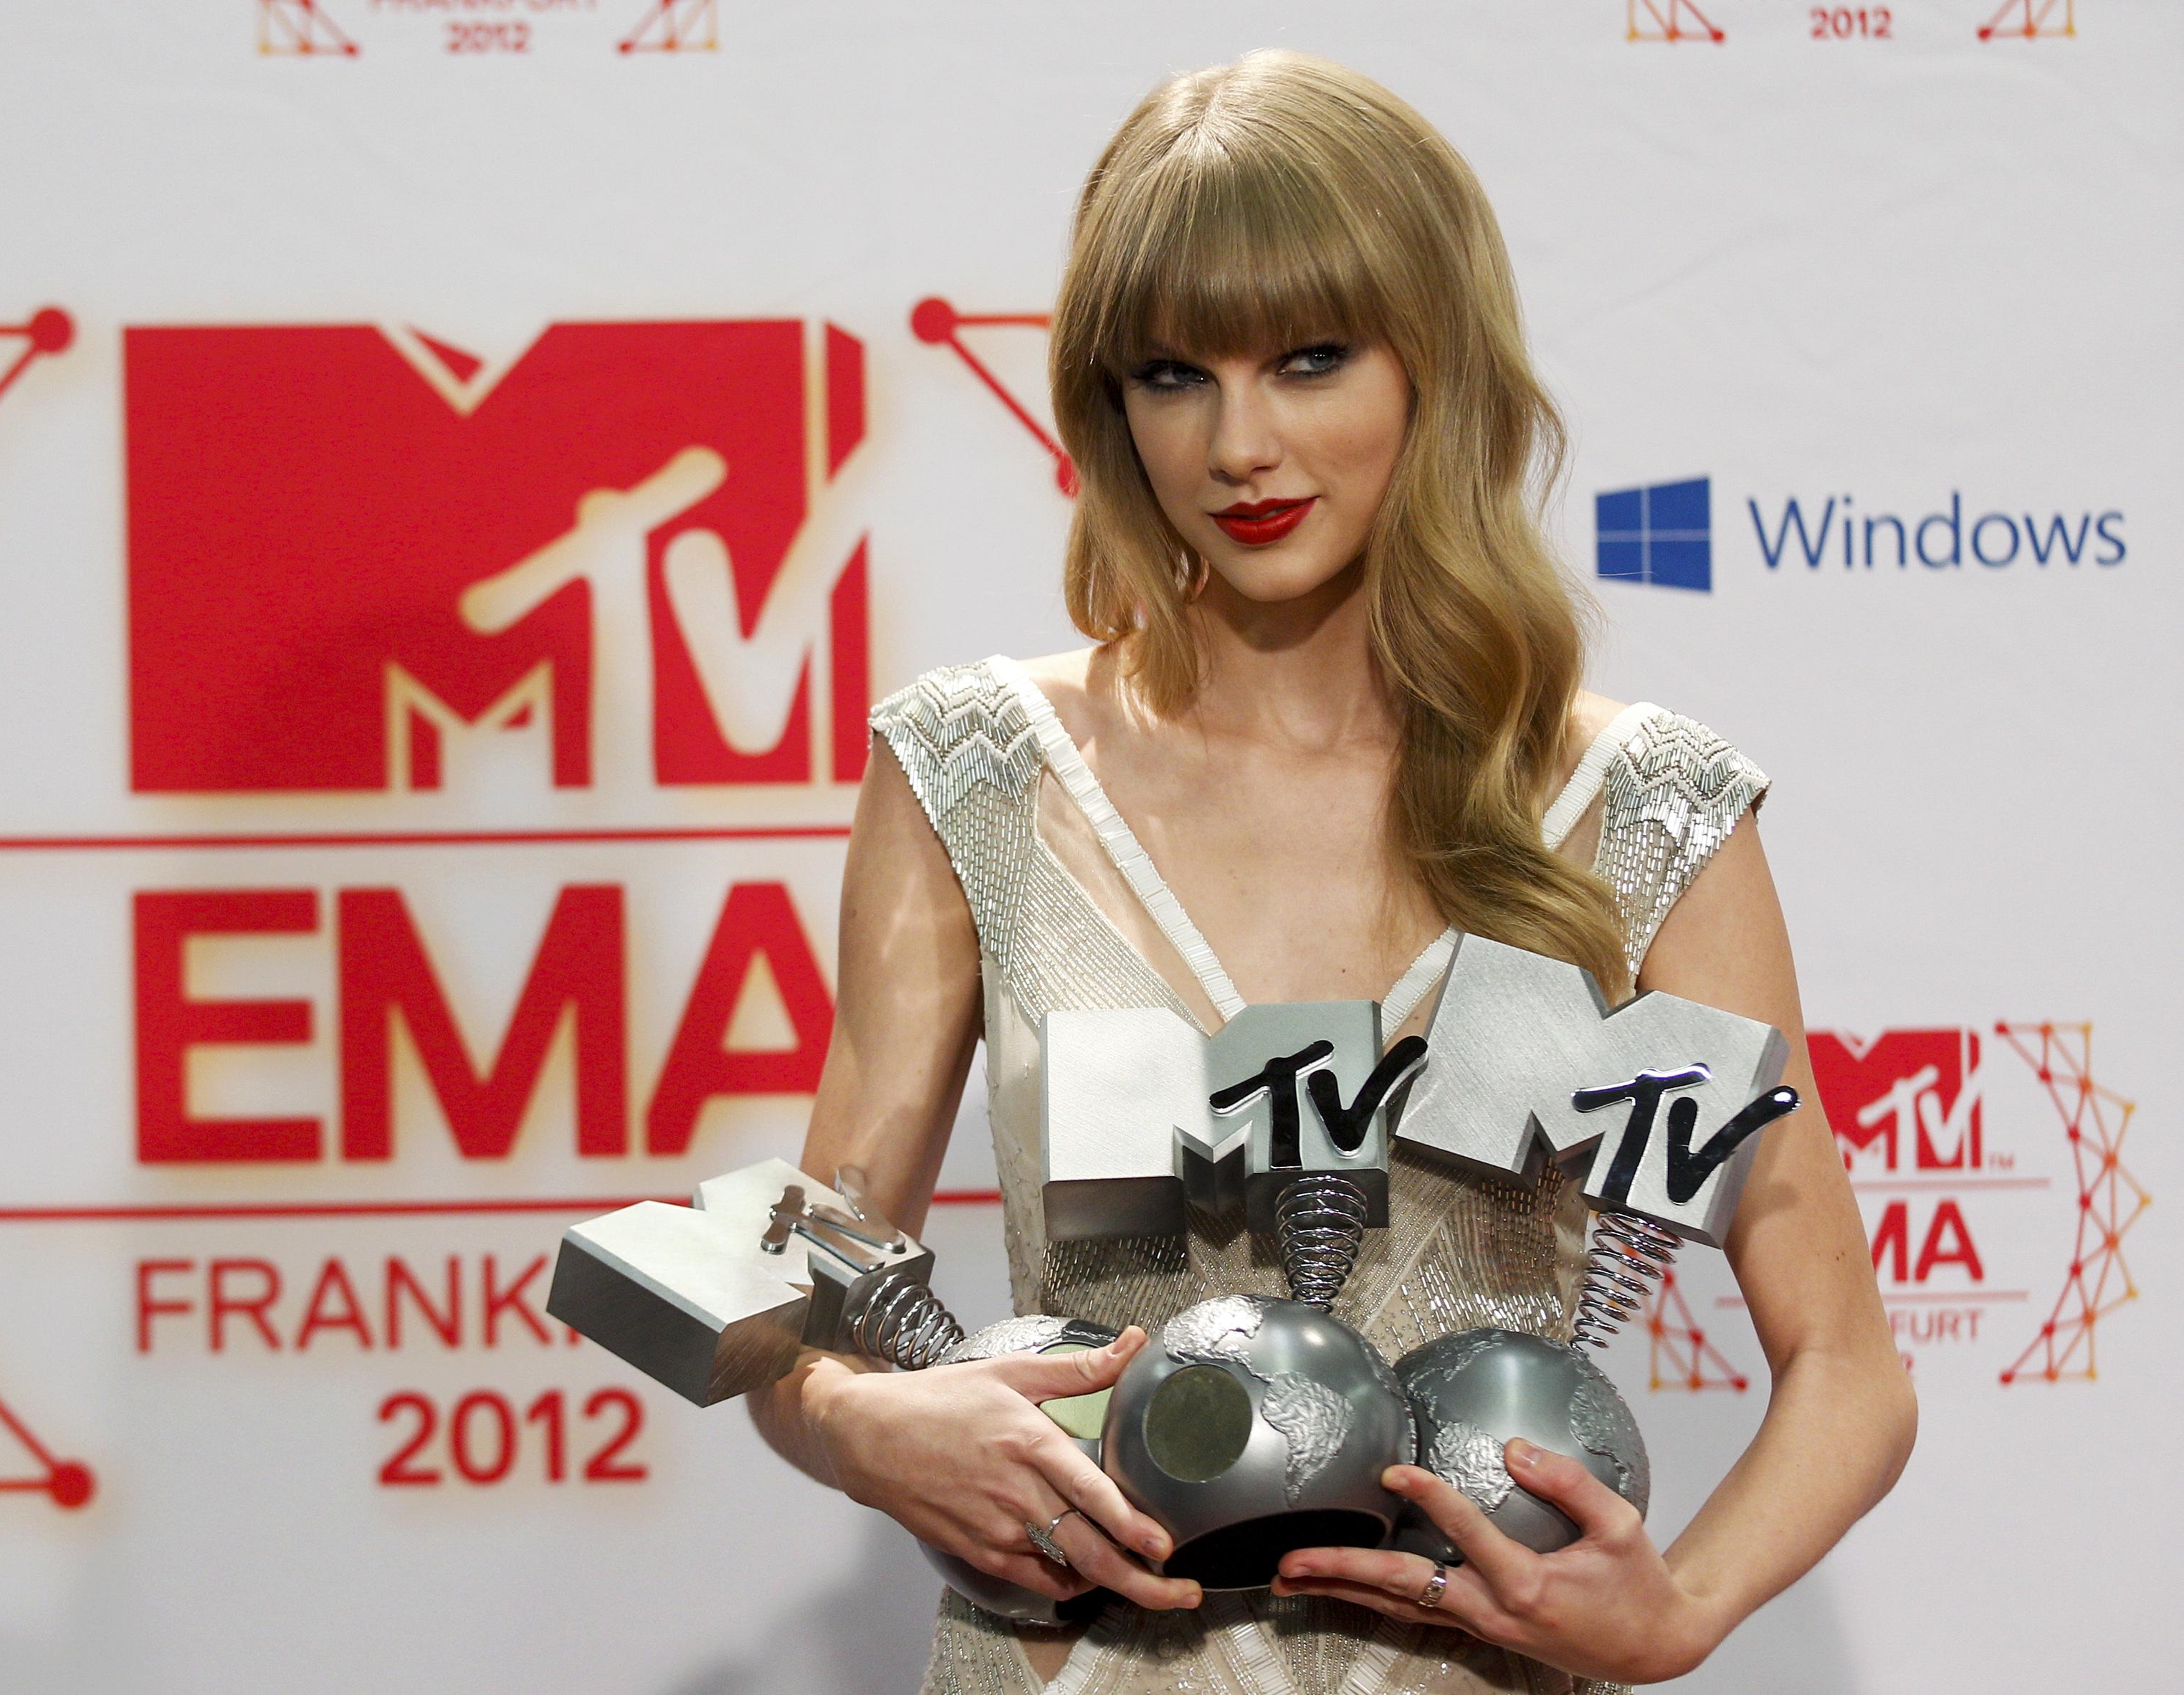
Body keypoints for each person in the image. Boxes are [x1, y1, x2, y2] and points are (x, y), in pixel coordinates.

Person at [749, 48, 1914, 1695]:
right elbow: (806, 1293)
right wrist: (858, 1422)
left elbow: (1849, 1366)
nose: (1241, 443)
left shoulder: (1636, 809)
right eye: (1174, 374)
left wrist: (1680, 1610)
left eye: (1308, 359)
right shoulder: (979, 773)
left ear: (1434, 362)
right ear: (1108, 405)